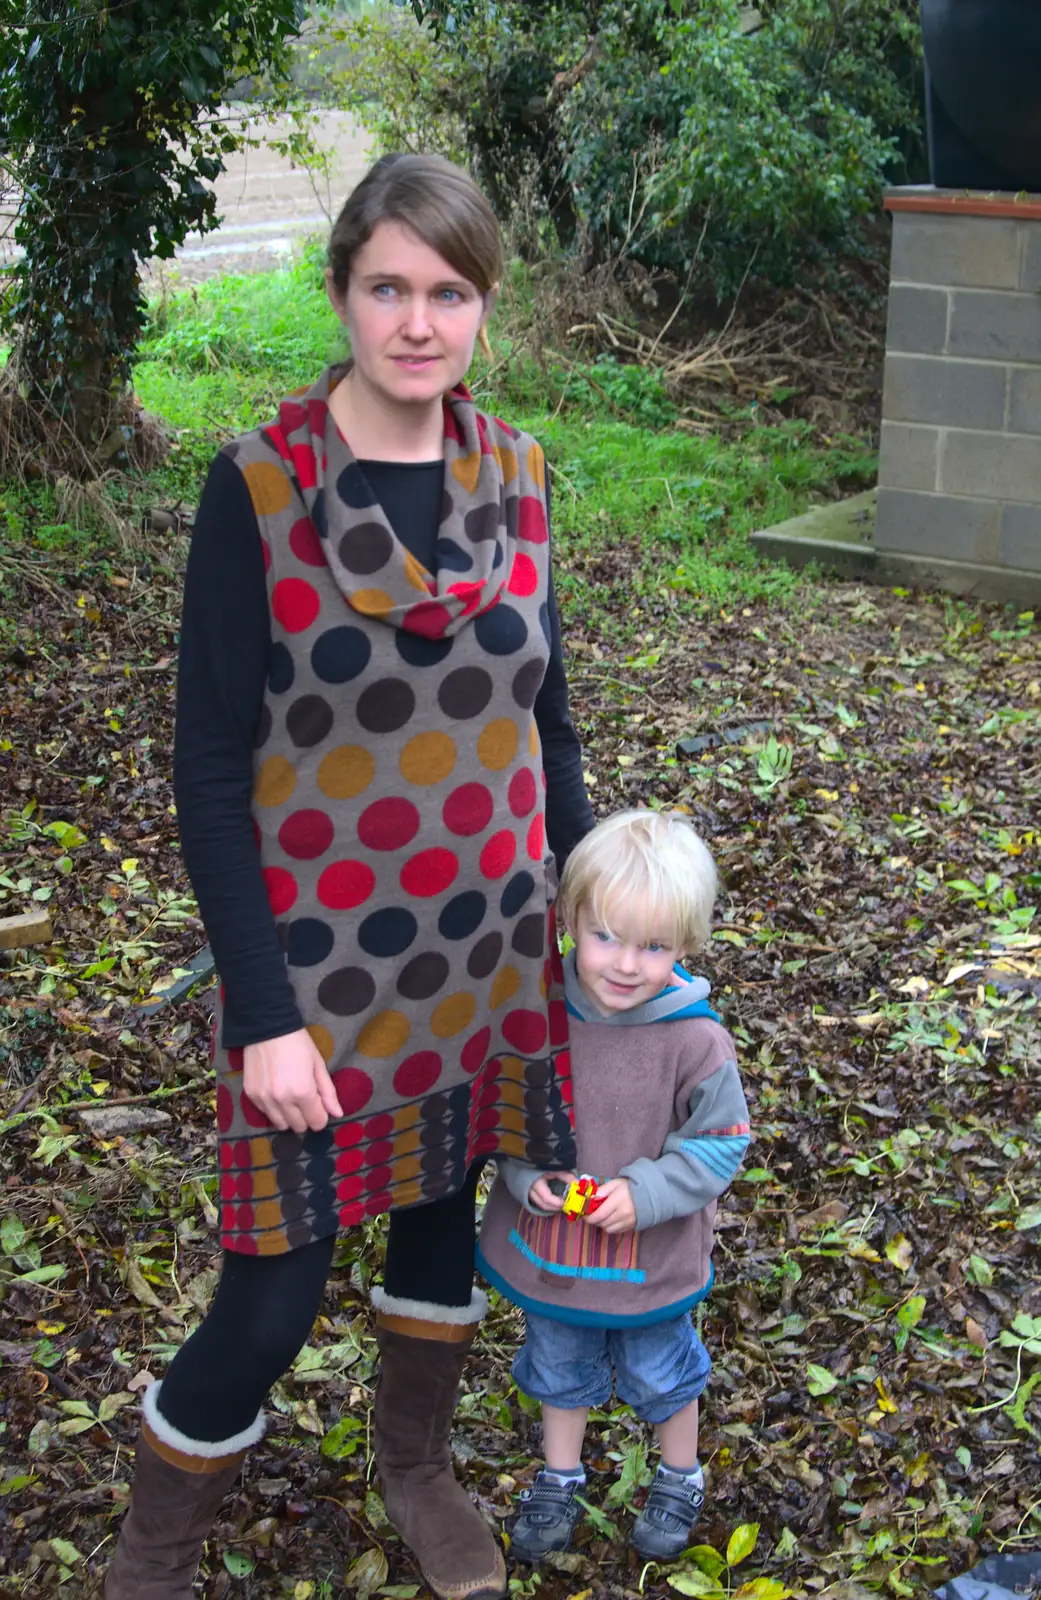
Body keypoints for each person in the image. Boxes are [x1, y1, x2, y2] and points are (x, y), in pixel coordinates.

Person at [103, 152, 593, 1600]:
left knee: (445, 1225)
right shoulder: (254, 492)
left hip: (492, 957)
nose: (418, 322)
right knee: (270, 1297)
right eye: (388, 287)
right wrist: (259, 1014)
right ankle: (149, 1551)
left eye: (449, 291)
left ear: (484, 310)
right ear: (341, 294)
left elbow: (547, 717)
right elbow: (205, 771)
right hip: (316, 981)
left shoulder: (518, 476)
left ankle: (417, 1465)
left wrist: (589, 908)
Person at [476, 810, 750, 1563]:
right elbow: (503, 1108)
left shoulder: (695, 1040)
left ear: (686, 946)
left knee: (661, 1367)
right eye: (606, 937)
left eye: (654, 946)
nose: (627, 963)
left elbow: (720, 1143)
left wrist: (650, 1192)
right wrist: (528, 1175)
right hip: (554, 1253)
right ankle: (559, 1476)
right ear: (567, 920)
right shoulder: (537, 1013)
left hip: (647, 1259)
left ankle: (677, 1472)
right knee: (558, 1364)